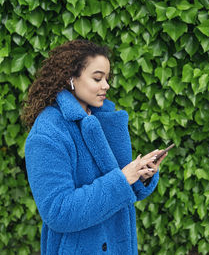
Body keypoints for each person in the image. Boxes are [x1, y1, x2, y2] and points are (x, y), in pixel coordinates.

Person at [21, 39, 168, 254]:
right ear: (70, 78)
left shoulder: (102, 120)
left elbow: (125, 188)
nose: (106, 85)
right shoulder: (48, 133)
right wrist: (123, 178)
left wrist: (141, 174)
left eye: (107, 78)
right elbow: (58, 211)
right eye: (97, 78)